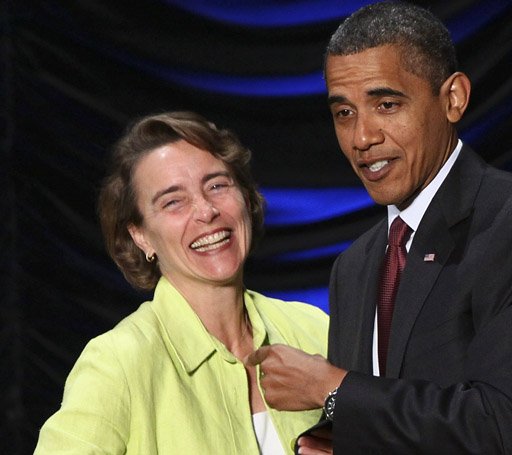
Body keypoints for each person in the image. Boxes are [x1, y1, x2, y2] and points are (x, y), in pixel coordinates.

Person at [246, 2, 512, 454]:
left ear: (453, 98)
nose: (362, 137)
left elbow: (506, 426)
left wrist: (333, 388)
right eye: (344, 113)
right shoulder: (354, 268)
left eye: (386, 104)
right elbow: (389, 419)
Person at [34, 111, 328, 454]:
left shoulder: (315, 329)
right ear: (141, 236)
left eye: (217, 185)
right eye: (173, 201)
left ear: (246, 199)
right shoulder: (118, 362)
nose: (206, 211)